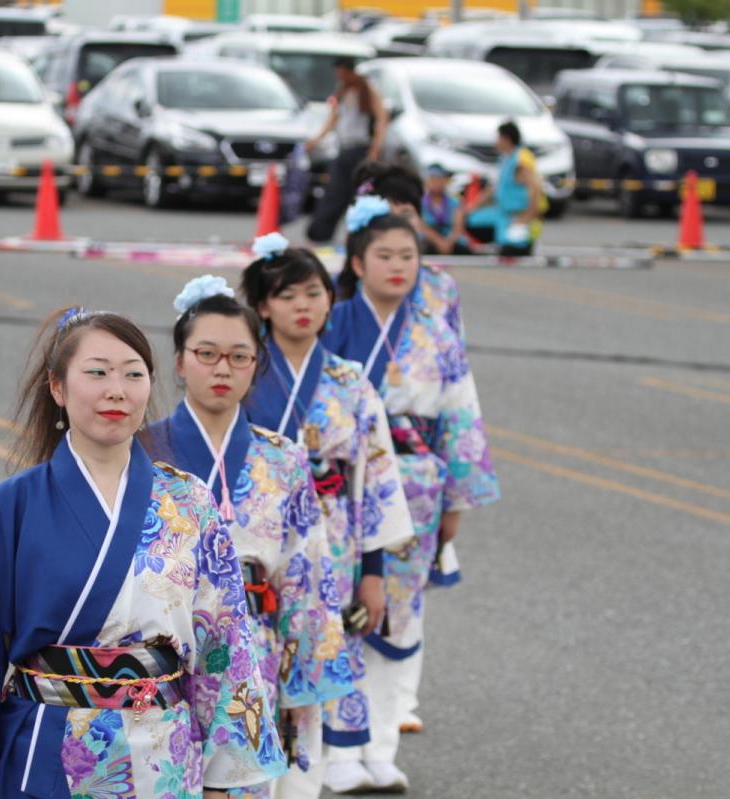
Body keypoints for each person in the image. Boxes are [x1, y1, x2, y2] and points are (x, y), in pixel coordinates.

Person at [0, 308, 287, 799]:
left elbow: (227, 643)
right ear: (58, 388)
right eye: (97, 372)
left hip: (162, 759)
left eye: (133, 374)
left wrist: (224, 779)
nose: (117, 390)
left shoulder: (188, 502)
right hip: (45, 752)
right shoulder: (15, 505)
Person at [319, 197, 501, 792]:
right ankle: (338, 752)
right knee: (340, 613)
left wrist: (455, 503)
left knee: (399, 616)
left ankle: (381, 745)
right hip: (342, 488)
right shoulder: (334, 324)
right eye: (384, 255)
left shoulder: (435, 336)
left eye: (409, 255)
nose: (398, 266)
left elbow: (461, 418)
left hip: (417, 488)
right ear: (356, 261)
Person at [148, 276, 354, 798]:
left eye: (239, 357)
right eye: (207, 353)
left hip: (256, 648)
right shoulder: (144, 452)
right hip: (166, 652)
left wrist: (301, 678)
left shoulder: (281, 456)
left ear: (256, 364)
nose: (222, 368)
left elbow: (307, 569)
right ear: (179, 360)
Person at [240, 233, 415, 796]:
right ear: (263, 306)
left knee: (329, 651)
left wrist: (373, 572)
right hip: (258, 544)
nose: (304, 306)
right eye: (287, 295)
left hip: (334, 535)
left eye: (314, 293)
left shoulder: (349, 382)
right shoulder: (240, 372)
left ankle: (329, 764)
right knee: (253, 659)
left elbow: (376, 482)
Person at [304, 58, 388, 244]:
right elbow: (333, 119)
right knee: (335, 192)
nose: (340, 77)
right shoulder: (341, 91)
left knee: (363, 194)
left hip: (361, 149)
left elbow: (382, 118)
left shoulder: (367, 89)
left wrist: (375, 148)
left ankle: (365, 235)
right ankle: (321, 233)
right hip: (344, 148)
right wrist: (316, 140)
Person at [461, 120, 545, 255]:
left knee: (511, 249)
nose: (496, 142)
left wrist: (528, 216)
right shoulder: (505, 159)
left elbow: (535, 188)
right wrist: (473, 207)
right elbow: (494, 188)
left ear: (506, 139)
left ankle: (523, 241)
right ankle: (499, 242)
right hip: (501, 212)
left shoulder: (520, 159)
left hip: (517, 215)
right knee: (471, 221)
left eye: (498, 138)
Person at [419, 164, 470, 256]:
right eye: (432, 179)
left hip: (451, 240)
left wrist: (448, 243)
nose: (435, 183)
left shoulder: (455, 203)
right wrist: (439, 242)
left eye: (438, 179)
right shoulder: (420, 203)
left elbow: (458, 228)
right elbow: (421, 226)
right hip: (429, 240)